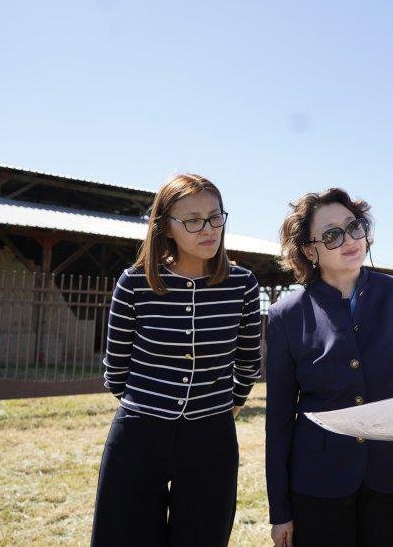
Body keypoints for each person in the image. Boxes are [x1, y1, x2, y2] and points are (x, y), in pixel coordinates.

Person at [91, 174, 262, 546]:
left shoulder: (243, 285)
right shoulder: (134, 283)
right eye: (193, 221)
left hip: (212, 438)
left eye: (215, 217)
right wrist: (149, 408)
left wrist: (224, 408)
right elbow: (115, 369)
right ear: (165, 227)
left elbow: (249, 362)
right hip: (139, 436)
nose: (209, 229)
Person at [265, 188, 393, 547]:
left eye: (354, 226)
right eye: (332, 234)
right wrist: (279, 509)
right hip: (318, 481)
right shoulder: (285, 315)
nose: (349, 239)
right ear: (310, 250)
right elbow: (279, 419)